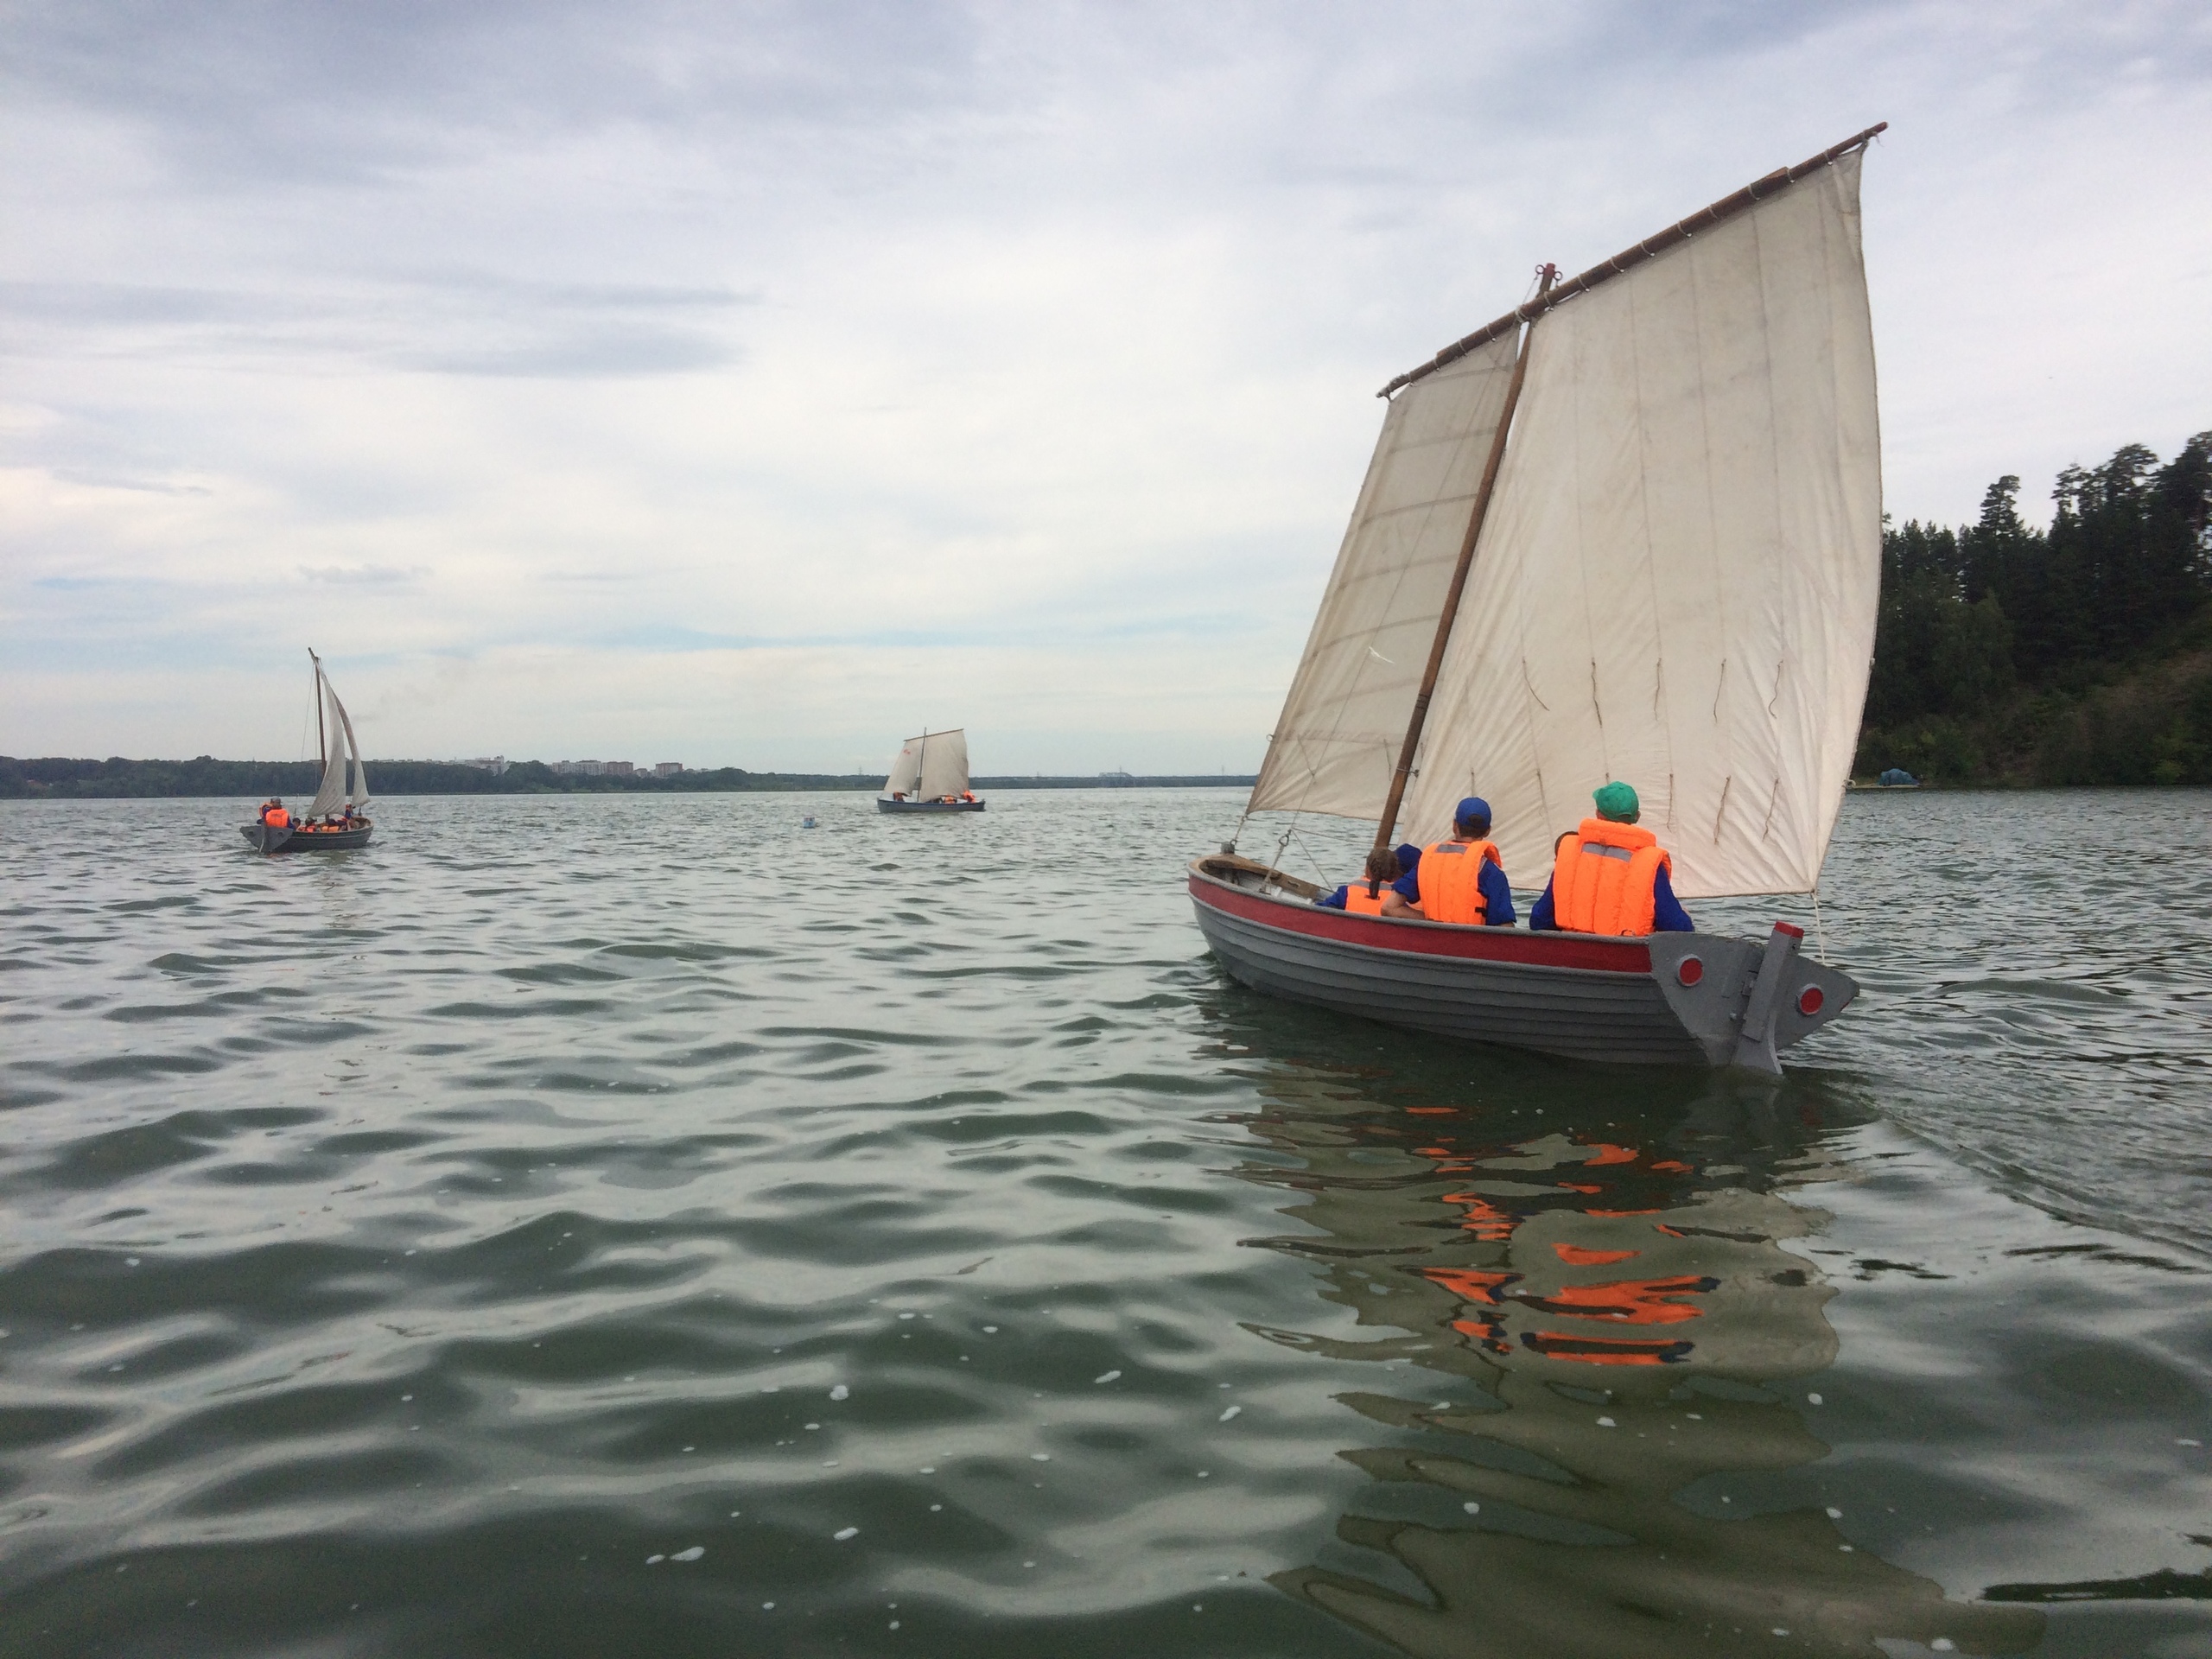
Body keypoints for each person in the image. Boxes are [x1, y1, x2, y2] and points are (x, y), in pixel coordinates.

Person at [1529, 780, 1693, 935]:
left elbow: (1539, 920)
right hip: (1625, 955)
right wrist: (1686, 920)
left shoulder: (1569, 854)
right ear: (1637, 817)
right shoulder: (1649, 863)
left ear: (1598, 814)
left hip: (1573, 953)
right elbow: (1674, 925)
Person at [1385, 797, 1514, 925]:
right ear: (1487, 831)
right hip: (1470, 943)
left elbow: (1389, 908)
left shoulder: (1427, 862)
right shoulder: (1490, 871)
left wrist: (1431, 921)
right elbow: (1506, 927)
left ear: (1454, 825)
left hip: (1432, 941)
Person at [1314, 847, 1402, 914]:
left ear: (1367, 869)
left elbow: (1320, 910)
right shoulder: (1399, 897)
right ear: (1395, 871)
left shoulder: (1346, 892)